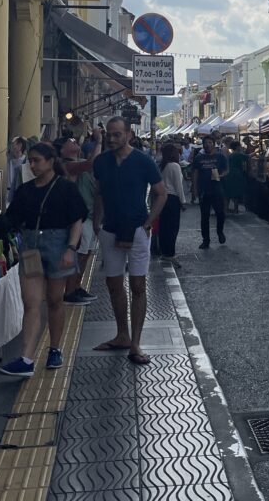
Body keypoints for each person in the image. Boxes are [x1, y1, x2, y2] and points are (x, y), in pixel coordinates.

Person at [0, 142, 87, 376]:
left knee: (56, 300)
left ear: (50, 161)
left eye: (37, 160)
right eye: (31, 160)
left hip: (57, 245)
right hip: (30, 247)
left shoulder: (65, 188)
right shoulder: (25, 191)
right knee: (31, 302)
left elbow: (77, 219)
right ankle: (26, 358)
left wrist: (71, 248)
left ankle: (55, 348)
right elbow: (11, 219)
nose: (33, 165)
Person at [92, 116, 167, 365]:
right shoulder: (101, 162)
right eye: (109, 134)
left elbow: (161, 194)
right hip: (110, 229)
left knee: (137, 286)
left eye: (117, 134)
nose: (112, 139)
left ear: (129, 135)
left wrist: (148, 223)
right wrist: (96, 220)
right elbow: (100, 192)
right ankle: (122, 334)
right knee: (113, 284)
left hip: (136, 229)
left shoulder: (143, 161)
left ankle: (135, 342)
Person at [59, 129, 103, 305]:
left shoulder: (77, 163)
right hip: (79, 218)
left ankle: (76, 286)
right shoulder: (66, 165)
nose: (75, 140)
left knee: (85, 254)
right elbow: (93, 163)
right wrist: (99, 141)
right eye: (70, 140)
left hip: (89, 215)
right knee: (79, 255)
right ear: (62, 149)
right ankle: (69, 291)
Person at [191, 135, 227, 248]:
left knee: (220, 214)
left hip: (217, 190)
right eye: (205, 143)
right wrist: (195, 188)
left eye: (210, 142)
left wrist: (220, 175)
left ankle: (220, 231)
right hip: (204, 191)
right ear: (203, 145)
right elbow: (195, 174)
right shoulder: (199, 158)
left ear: (214, 143)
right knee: (204, 216)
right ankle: (206, 240)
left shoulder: (220, 157)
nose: (207, 145)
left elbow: (227, 170)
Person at [159, 142, 187, 267]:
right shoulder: (175, 166)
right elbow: (178, 186)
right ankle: (170, 253)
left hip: (162, 199)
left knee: (165, 226)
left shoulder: (162, 165)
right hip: (172, 198)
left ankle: (165, 252)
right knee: (173, 227)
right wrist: (183, 201)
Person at [224, 140, 247, 214]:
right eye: (240, 146)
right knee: (236, 193)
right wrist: (257, 151)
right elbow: (248, 157)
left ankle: (226, 209)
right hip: (236, 175)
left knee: (228, 193)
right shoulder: (237, 154)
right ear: (237, 147)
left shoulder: (231, 154)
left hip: (229, 175)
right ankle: (235, 209)